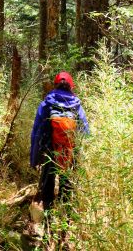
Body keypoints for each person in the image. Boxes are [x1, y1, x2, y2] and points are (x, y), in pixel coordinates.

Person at [30, 71, 90, 210]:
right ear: (71, 86)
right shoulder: (77, 105)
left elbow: (36, 133)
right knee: (67, 184)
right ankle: (66, 219)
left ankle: (47, 219)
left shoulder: (46, 104)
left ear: (55, 85)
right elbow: (85, 132)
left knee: (47, 186)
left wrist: (34, 159)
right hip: (69, 150)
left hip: (49, 149)